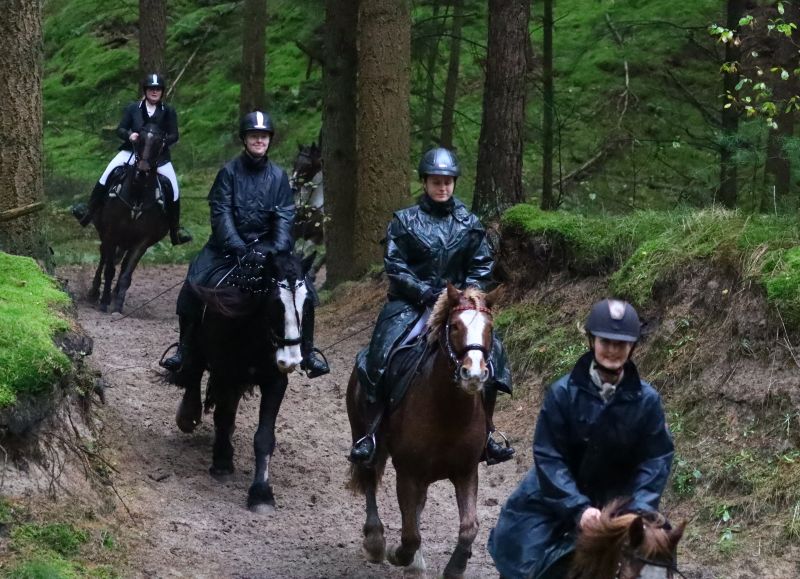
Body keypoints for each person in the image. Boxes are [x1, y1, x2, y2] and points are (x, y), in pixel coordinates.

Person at [348, 147, 515, 465]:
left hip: (460, 305)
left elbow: (481, 265)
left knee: (493, 351)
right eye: (436, 181)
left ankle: (488, 433)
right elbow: (395, 266)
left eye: (447, 182)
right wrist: (423, 291)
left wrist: (465, 296)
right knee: (381, 353)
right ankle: (371, 432)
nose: (442, 187)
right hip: (410, 304)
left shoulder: (469, 223)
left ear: (454, 183)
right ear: (425, 182)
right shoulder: (404, 221)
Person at [487, 299, 675, 579]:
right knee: (526, 562)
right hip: (558, 497)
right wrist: (579, 509)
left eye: (621, 344)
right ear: (592, 341)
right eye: (606, 341)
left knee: (657, 555)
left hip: (621, 505)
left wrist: (638, 508)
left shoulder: (647, 401)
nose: (612, 350)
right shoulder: (562, 393)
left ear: (632, 347)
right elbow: (550, 457)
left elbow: (656, 459)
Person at [160, 110, 329, 379]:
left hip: (269, 250)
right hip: (227, 249)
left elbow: (285, 216)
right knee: (194, 280)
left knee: (303, 288)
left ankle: (307, 352)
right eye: (253, 136)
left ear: (269, 140)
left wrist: (274, 250)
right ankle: (185, 348)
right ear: (244, 139)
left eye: (263, 136)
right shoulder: (228, 173)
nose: (259, 141)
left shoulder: (279, 177)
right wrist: (239, 247)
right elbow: (221, 213)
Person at [72, 73, 192, 246]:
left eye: (158, 89)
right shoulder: (133, 108)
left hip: (158, 157)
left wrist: (162, 142)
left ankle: (175, 230)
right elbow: (121, 129)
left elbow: (174, 135)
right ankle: (88, 212)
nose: (154, 92)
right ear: (145, 90)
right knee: (107, 173)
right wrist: (130, 135)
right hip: (131, 152)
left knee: (173, 187)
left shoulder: (168, 111)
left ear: (162, 92)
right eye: (151, 89)